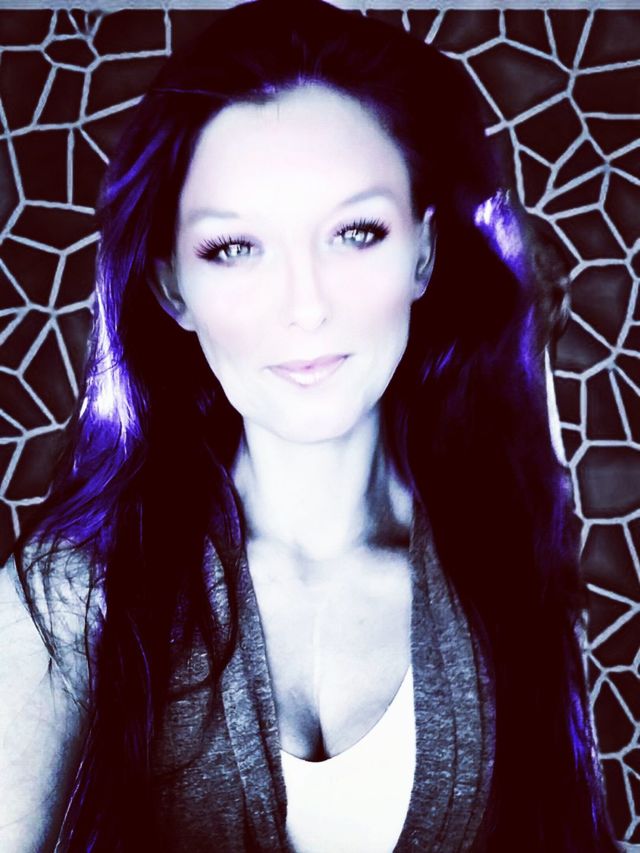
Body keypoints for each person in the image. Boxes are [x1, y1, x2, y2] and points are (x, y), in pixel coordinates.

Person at [0, 0, 619, 850]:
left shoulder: (509, 557)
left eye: (355, 232)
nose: (305, 306)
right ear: (173, 288)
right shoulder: (69, 598)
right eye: (234, 247)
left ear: (423, 252)